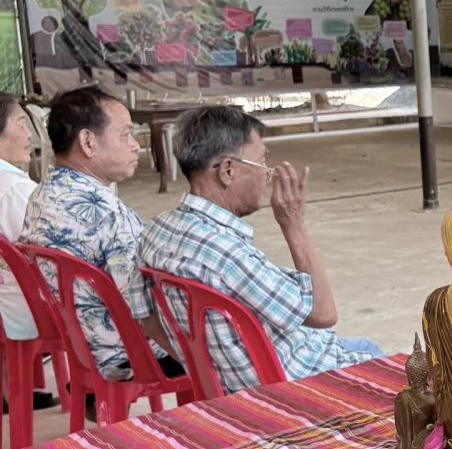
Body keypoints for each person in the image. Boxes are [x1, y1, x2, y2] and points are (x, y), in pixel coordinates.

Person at [138, 106, 382, 393]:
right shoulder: (227, 255)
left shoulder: (153, 232)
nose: (267, 175)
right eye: (262, 162)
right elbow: (323, 314)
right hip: (295, 381)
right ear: (228, 171)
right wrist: (294, 224)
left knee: (361, 343)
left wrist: (206, 370)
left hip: (238, 381)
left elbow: (148, 322)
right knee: (384, 358)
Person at [21, 86, 182, 396]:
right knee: (232, 334)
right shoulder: (105, 214)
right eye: (125, 134)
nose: (135, 145)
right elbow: (148, 307)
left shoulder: (41, 196)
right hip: (129, 355)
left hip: (83, 348)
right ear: (88, 142)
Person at [0, 95, 56, 413]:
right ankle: (92, 386)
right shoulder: (14, 188)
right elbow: (49, 252)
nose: (29, 135)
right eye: (22, 124)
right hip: (21, 308)